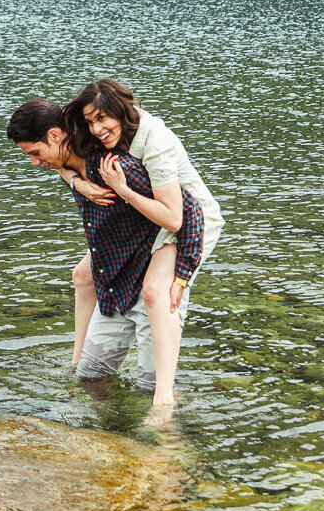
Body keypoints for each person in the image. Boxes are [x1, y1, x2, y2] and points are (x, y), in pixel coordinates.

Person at [6, 99, 203, 410]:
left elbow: (188, 212)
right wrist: (75, 182)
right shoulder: (70, 161)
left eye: (35, 153)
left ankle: (166, 418)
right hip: (118, 274)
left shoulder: (114, 167)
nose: (34, 162)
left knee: (150, 386)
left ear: (56, 136)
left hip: (163, 250)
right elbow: (65, 165)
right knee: (89, 377)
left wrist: (182, 275)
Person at [61, 78, 224, 405]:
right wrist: (78, 183)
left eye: (102, 119)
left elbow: (175, 218)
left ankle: (163, 397)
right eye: (90, 122)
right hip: (148, 218)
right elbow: (61, 161)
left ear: (122, 112)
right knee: (84, 273)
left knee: (154, 290)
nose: (96, 129)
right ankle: (86, 361)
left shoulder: (155, 141)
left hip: (189, 222)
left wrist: (123, 191)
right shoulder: (107, 138)